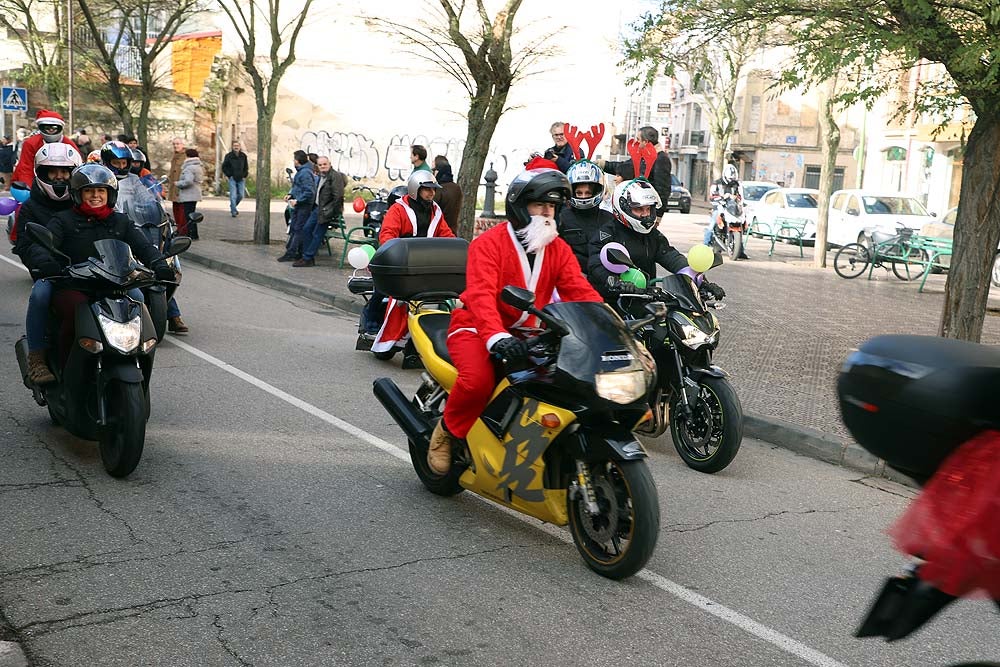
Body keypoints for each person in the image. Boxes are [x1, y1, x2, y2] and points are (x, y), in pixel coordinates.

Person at [427, 159, 604, 474]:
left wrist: (609, 324)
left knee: (564, 380)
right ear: (520, 207)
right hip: (475, 329)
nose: (548, 213)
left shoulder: (558, 249)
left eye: (553, 206)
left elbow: (581, 291)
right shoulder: (488, 244)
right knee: (478, 382)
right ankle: (447, 433)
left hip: (528, 334)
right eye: (540, 205)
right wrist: (498, 337)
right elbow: (480, 297)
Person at [22, 164, 175, 380]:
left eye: (101, 191)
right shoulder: (63, 220)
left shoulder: (120, 221)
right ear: (78, 194)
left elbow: (143, 246)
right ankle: (42, 361)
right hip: (74, 282)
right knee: (45, 297)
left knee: (139, 299)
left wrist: (159, 263)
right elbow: (39, 245)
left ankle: (138, 357)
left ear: (110, 194)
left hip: (112, 284)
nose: (95, 196)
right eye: (89, 191)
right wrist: (45, 262)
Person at [587, 178, 726, 303]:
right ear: (623, 207)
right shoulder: (606, 233)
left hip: (645, 300)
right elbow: (595, 264)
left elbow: (671, 256)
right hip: (610, 302)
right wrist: (613, 281)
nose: (646, 214)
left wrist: (701, 282)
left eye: (649, 209)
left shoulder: (652, 235)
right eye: (639, 209)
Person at [370, 170, 455, 357]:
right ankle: (379, 332)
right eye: (427, 189)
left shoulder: (436, 211)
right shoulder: (398, 209)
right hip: (401, 267)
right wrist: (396, 255)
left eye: (433, 190)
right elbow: (387, 236)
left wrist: (455, 249)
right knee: (393, 297)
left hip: (426, 267)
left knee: (441, 300)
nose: (431, 193)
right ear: (415, 189)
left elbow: (447, 235)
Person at [602, 126, 671, 220]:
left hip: (647, 211)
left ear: (645, 142)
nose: (636, 142)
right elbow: (624, 166)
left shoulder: (661, 159)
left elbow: (663, 189)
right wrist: (604, 164)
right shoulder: (641, 155)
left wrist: (657, 216)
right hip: (635, 208)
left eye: (638, 139)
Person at [557, 159, 613, 272]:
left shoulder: (609, 219)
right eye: (579, 193)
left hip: (603, 278)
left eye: (588, 193)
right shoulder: (561, 218)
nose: (583, 197)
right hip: (572, 276)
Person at [294, 155, 348, 267]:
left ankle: (307, 258)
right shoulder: (321, 176)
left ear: (329, 164)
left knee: (318, 234)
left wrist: (332, 211)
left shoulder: (335, 176)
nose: (323, 166)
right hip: (318, 208)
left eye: (325, 164)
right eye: (320, 165)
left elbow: (338, 196)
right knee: (306, 229)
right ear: (317, 166)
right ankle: (307, 256)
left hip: (326, 210)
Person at [11, 110, 80, 187]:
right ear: (40, 128)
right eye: (47, 127)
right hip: (37, 181)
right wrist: (28, 190)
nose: (51, 130)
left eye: (54, 127)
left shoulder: (69, 144)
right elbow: (26, 169)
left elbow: (78, 167)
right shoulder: (31, 143)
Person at [277, 150, 316, 262]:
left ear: (298, 161)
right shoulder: (302, 172)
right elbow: (298, 187)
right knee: (295, 228)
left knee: (298, 229)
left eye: (294, 159)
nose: (293, 162)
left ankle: (292, 252)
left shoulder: (305, 173)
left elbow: (309, 192)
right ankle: (294, 251)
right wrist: (290, 195)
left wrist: (298, 201)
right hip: (300, 205)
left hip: (303, 206)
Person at [705, 163, 748, 259]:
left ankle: (740, 250)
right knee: (712, 225)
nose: (731, 181)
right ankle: (705, 245)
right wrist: (721, 198)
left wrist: (740, 201)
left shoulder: (737, 184)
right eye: (730, 179)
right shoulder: (717, 183)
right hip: (720, 206)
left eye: (732, 179)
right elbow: (711, 196)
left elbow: (741, 196)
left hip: (732, 207)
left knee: (743, 221)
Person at [175, 148, 204, 240]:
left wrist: (178, 183)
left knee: (189, 216)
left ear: (188, 156)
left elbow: (188, 181)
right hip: (195, 193)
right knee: (192, 215)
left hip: (189, 194)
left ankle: (192, 234)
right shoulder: (198, 166)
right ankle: (193, 233)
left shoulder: (189, 167)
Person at [432, 155, 463, 231]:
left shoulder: (438, 189)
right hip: (452, 233)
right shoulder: (456, 188)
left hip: (439, 233)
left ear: (438, 171)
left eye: (433, 170)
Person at [166, 137, 188, 235]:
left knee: (182, 210)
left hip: (181, 187)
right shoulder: (175, 156)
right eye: (174, 144)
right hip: (173, 187)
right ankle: (179, 228)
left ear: (183, 145)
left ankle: (182, 230)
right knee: (176, 208)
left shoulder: (186, 156)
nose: (175, 146)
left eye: (178, 144)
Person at [222, 140, 249, 217]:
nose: (236, 147)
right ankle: (234, 211)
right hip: (232, 178)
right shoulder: (229, 156)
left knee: (241, 195)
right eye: (234, 146)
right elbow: (224, 167)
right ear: (232, 147)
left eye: (237, 146)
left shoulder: (243, 156)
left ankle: (232, 206)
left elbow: (246, 167)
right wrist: (229, 175)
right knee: (233, 195)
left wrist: (244, 175)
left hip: (241, 178)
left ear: (240, 147)